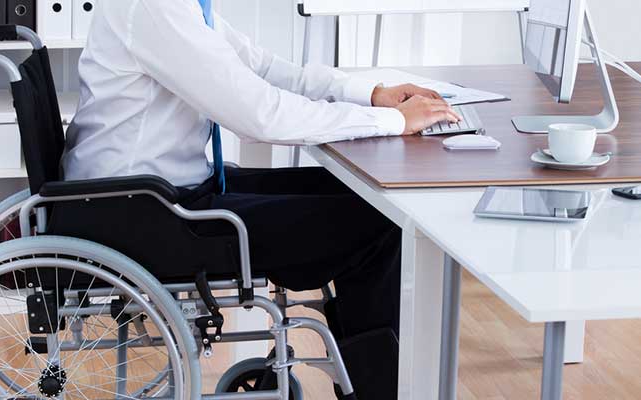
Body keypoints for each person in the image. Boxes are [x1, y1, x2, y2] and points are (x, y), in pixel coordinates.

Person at [62, 1, 461, 399]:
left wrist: (371, 96)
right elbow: (259, 114)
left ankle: (365, 379)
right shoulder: (153, 6)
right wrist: (394, 122)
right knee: (379, 223)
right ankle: (377, 390)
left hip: (164, 193)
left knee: (366, 199)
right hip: (140, 212)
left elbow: (261, 68)